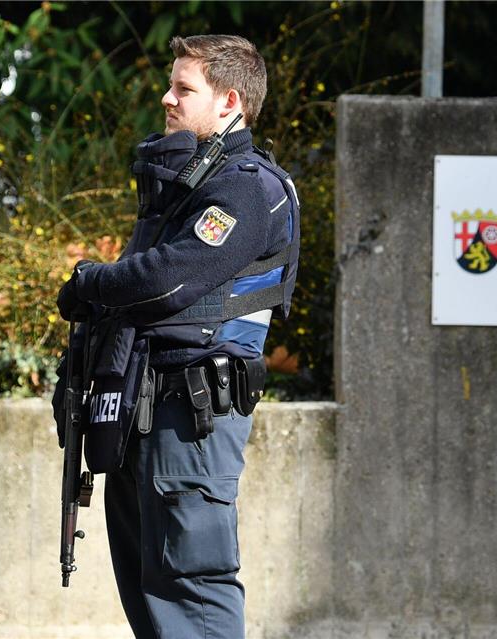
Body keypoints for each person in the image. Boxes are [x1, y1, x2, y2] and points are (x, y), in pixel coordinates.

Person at [53, 34, 299, 639]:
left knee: (191, 592)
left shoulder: (248, 187)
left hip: (193, 421)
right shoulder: (182, 187)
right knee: (150, 596)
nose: (167, 98)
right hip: (145, 410)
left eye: (184, 89)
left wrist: (89, 280)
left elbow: (165, 284)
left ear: (230, 102)